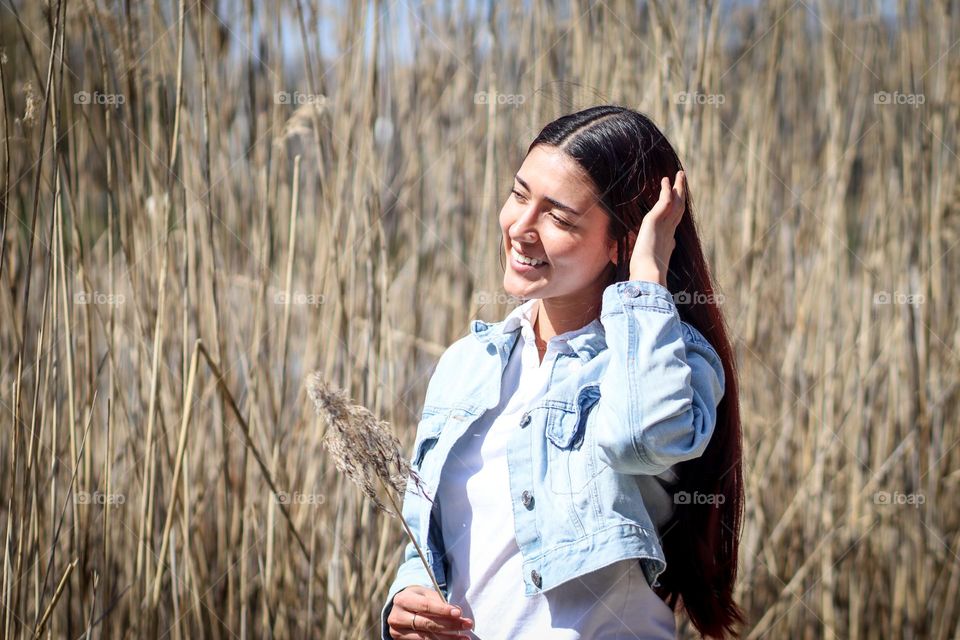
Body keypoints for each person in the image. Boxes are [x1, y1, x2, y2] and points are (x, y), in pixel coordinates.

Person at [382, 105, 745, 639]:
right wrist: (406, 603)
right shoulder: (467, 364)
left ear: (620, 240)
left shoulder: (667, 360)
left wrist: (646, 276)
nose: (521, 228)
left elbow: (641, 440)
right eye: (519, 194)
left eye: (559, 217)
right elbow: (427, 534)